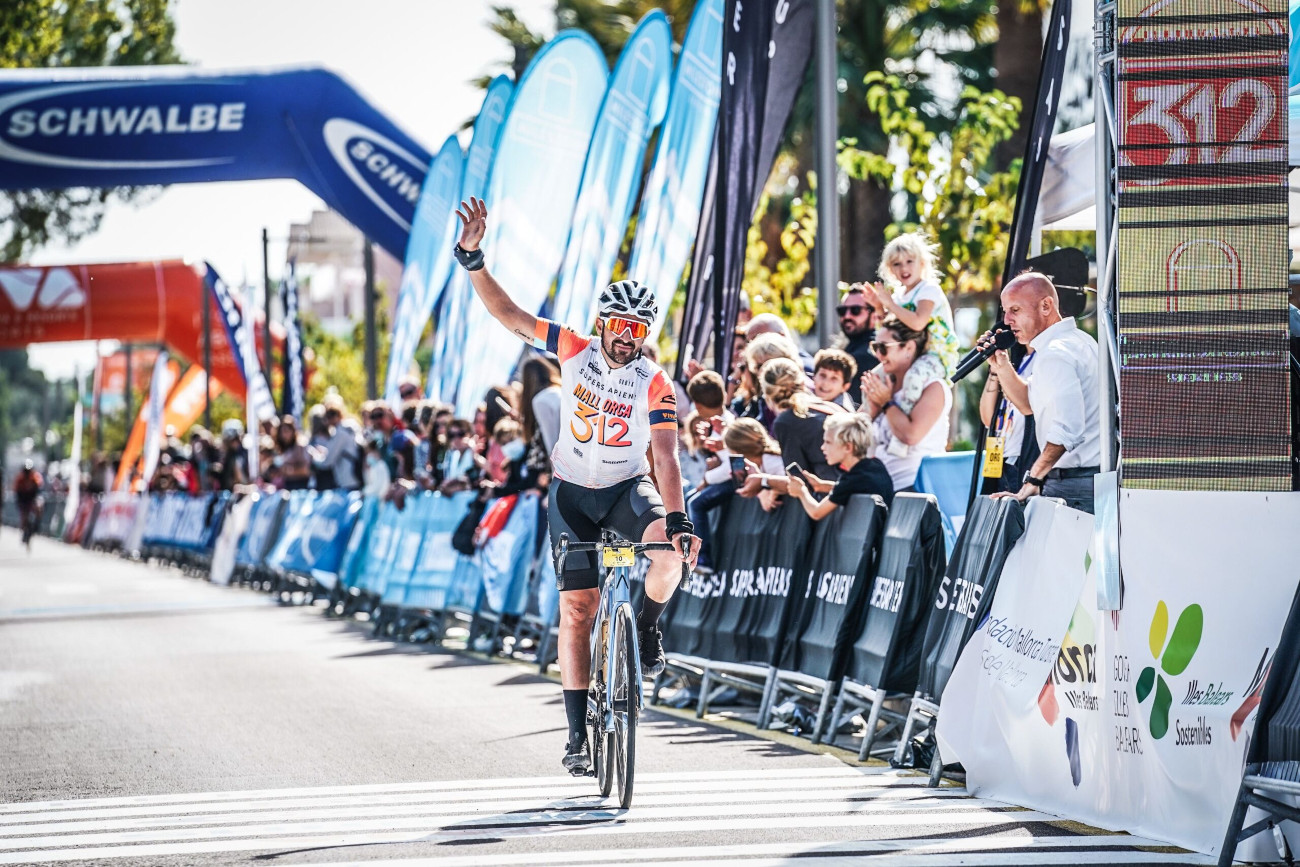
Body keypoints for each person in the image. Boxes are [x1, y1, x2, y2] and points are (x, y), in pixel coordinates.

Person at [453, 196, 699, 776]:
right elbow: (509, 313)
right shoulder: (573, 349)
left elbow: (664, 455)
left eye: (639, 329)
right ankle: (575, 736)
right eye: (621, 326)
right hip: (570, 495)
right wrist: (472, 258)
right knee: (577, 612)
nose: (628, 337)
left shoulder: (654, 381)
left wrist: (680, 516)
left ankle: (646, 627)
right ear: (604, 324)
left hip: (623, 488)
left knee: (670, 550)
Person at [988, 272, 1100, 513]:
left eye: (1015, 310)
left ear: (1046, 306)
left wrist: (1033, 480)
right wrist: (1001, 366)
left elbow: (1067, 429)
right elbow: (1029, 405)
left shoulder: (1055, 354)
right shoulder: (1079, 341)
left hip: (1072, 484)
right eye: (1006, 311)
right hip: (1080, 481)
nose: (1006, 321)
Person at [860, 315, 952, 491]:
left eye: (883, 348)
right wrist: (871, 411)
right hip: (880, 487)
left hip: (915, 491)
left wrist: (887, 404)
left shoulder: (933, 387)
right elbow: (853, 435)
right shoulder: (885, 386)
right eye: (875, 347)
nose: (878, 355)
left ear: (908, 347)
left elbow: (910, 435)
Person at [868, 232, 960, 378]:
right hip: (907, 357)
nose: (904, 268)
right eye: (897, 264)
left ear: (922, 263)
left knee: (914, 377)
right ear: (890, 270)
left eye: (909, 261)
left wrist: (890, 304)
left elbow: (918, 323)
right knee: (874, 377)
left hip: (934, 356)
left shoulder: (928, 289)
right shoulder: (898, 296)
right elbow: (886, 334)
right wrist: (879, 307)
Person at [787, 413, 894, 520]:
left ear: (848, 447)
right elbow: (852, 487)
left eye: (828, 442)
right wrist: (821, 485)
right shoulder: (876, 466)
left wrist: (801, 492)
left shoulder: (851, 479)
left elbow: (816, 512)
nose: (822, 447)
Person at [761, 356, 847, 481]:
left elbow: (798, 479)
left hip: (834, 491)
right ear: (802, 383)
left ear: (767, 393)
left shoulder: (786, 421)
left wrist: (765, 483)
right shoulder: (829, 406)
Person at [980, 347, 1038, 494]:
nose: (1008, 322)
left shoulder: (1043, 357)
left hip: (1025, 462)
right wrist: (995, 369)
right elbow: (988, 419)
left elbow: (1027, 406)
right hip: (1001, 461)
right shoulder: (1016, 359)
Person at [837, 284, 880, 404]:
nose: (847, 316)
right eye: (842, 311)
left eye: (855, 310)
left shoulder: (873, 352)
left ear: (874, 314)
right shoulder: (851, 347)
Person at [311, 396, 364, 492]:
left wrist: (315, 456)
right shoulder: (352, 426)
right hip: (357, 476)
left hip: (348, 480)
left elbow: (327, 462)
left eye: (331, 415)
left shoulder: (341, 432)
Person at [270, 415, 312, 490]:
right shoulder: (281, 448)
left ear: (293, 431)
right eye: (282, 432)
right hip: (287, 486)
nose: (284, 435)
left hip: (301, 487)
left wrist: (289, 470)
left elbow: (306, 470)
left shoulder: (300, 446)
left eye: (286, 431)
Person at [13, 460, 43, 548]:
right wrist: (19, 503)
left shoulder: (35, 477)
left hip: (32, 498)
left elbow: (39, 489)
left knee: (39, 507)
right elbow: (17, 492)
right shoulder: (20, 479)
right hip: (23, 500)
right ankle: (23, 530)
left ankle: (36, 526)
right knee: (24, 517)